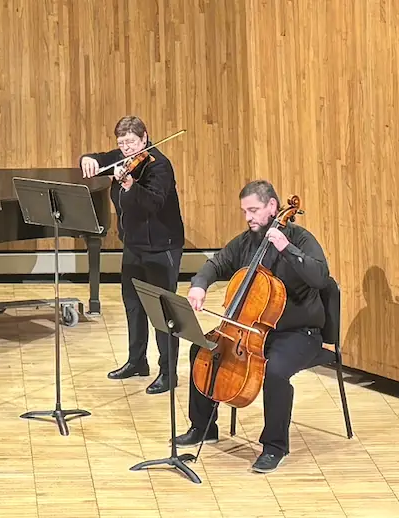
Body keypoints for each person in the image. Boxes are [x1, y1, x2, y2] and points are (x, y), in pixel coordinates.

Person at [175, 180, 330, 473]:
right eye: (245, 211)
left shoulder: (300, 238)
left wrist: (286, 248)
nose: (249, 217)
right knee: (202, 349)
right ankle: (203, 427)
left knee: (275, 371)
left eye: (254, 210)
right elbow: (217, 263)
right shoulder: (247, 240)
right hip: (254, 331)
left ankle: (274, 446)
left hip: (299, 333)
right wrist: (199, 285)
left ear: (273, 207)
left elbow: (320, 277)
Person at [80, 116, 185, 394]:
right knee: (133, 305)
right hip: (134, 246)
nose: (126, 149)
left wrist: (129, 185)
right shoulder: (121, 156)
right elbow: (99, 159)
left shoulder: (159, 166)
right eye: (122, 143)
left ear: (145, 138)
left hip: (162, 247)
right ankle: (137, 361)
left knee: (163, 311)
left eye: (132, 143)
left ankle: (168, 371)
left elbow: (153, 203)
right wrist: (86, 159)